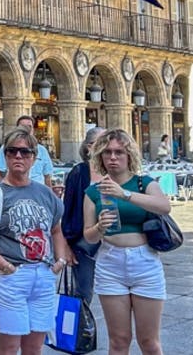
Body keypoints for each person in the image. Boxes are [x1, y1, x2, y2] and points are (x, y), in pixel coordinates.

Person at [0, 128, 72, 355]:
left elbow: (56, 229)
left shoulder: (45, 193)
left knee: (35, 347)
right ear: (5, 156)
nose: (18, 157)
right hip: (12, 276)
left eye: (25, 152)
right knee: (9, 347)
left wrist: (60, 259)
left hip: (43, 275)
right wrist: (2, 265)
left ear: (34, 158)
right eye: (12, 151)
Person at [82, 129, 171, 355]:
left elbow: (164, 206)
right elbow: (88, 236)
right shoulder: (93, 192)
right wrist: (99, 228)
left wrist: (124, 194)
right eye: (107, 152)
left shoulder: (144, 183)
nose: (113, 157)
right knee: (119, 340)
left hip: (145, 261)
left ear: (129, 155)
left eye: (119, 152)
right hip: (110, 262)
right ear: (100, 157)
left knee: (149, 341)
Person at [62, 127, 106, 301]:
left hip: (112, 243)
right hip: (83, 243)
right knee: (83, 292)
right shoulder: (79, 172)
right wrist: (66, 246)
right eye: (102, 142)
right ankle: (82, 327)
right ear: (89, 147)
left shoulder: (115, 171)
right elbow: (67, 210)